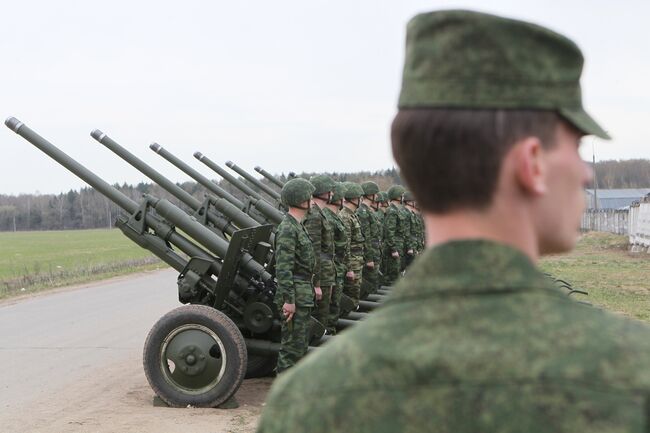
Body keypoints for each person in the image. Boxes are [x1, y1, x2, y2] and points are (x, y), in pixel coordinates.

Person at [257, 10, 650, 432]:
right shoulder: (629, 375)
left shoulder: (306, 402)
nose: (586, 172)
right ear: (532, 163)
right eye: (576, 145)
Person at [273, 178, 316, 373]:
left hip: (303, 294)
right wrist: (289, 300)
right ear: (300, 199)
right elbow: (284, 268)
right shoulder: (288, 228)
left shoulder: (298, 226)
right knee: (291, 349)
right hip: (295, 296)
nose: (313, 201)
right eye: (309, 197)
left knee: (300, 347)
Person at [305, 175, 337, 329]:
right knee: (319, 318)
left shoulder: (319, 213)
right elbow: (314, 251)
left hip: (326, 273)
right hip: (321, 276)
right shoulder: (314, 215)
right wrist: (316, 283)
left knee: (323, 316)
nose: (332, 193)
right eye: (330, 190)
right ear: (324, 192)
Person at [320, 181, 349, 334]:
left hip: (335, 266)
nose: (344, 200)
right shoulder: (328, 218)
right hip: (330, 267)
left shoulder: (333, 217)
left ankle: (330, 330)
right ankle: (327, 332)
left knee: (333, 304)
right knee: (329, 306)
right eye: (342, 197)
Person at [337, 182, 365, 309]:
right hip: (352, 261)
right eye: (360, 197)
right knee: (351, 295)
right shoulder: (345, 217)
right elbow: (345, 244)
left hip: (356, 260)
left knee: (355, 294)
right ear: (354, 198)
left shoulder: (351, 215)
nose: (362, 200)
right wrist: (349, 268)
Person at [357, 181, 381, 296]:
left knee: (373, 284)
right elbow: (365, 236)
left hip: (374, 252)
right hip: (370, 254)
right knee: (369, 287)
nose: (376, 196)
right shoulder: (363, 211)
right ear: (370, 194)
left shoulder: (368, 210)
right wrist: (369, 258)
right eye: (375, 193)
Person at [382, 185, 405, 284]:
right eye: (402, 195)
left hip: (397, 246)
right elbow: (389, 231)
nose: (403, 197)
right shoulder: (392, 211)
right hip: (393, 248)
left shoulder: (396, 210)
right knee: (392, 276)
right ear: (397, 196)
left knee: (396, 274)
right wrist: (393, 249)